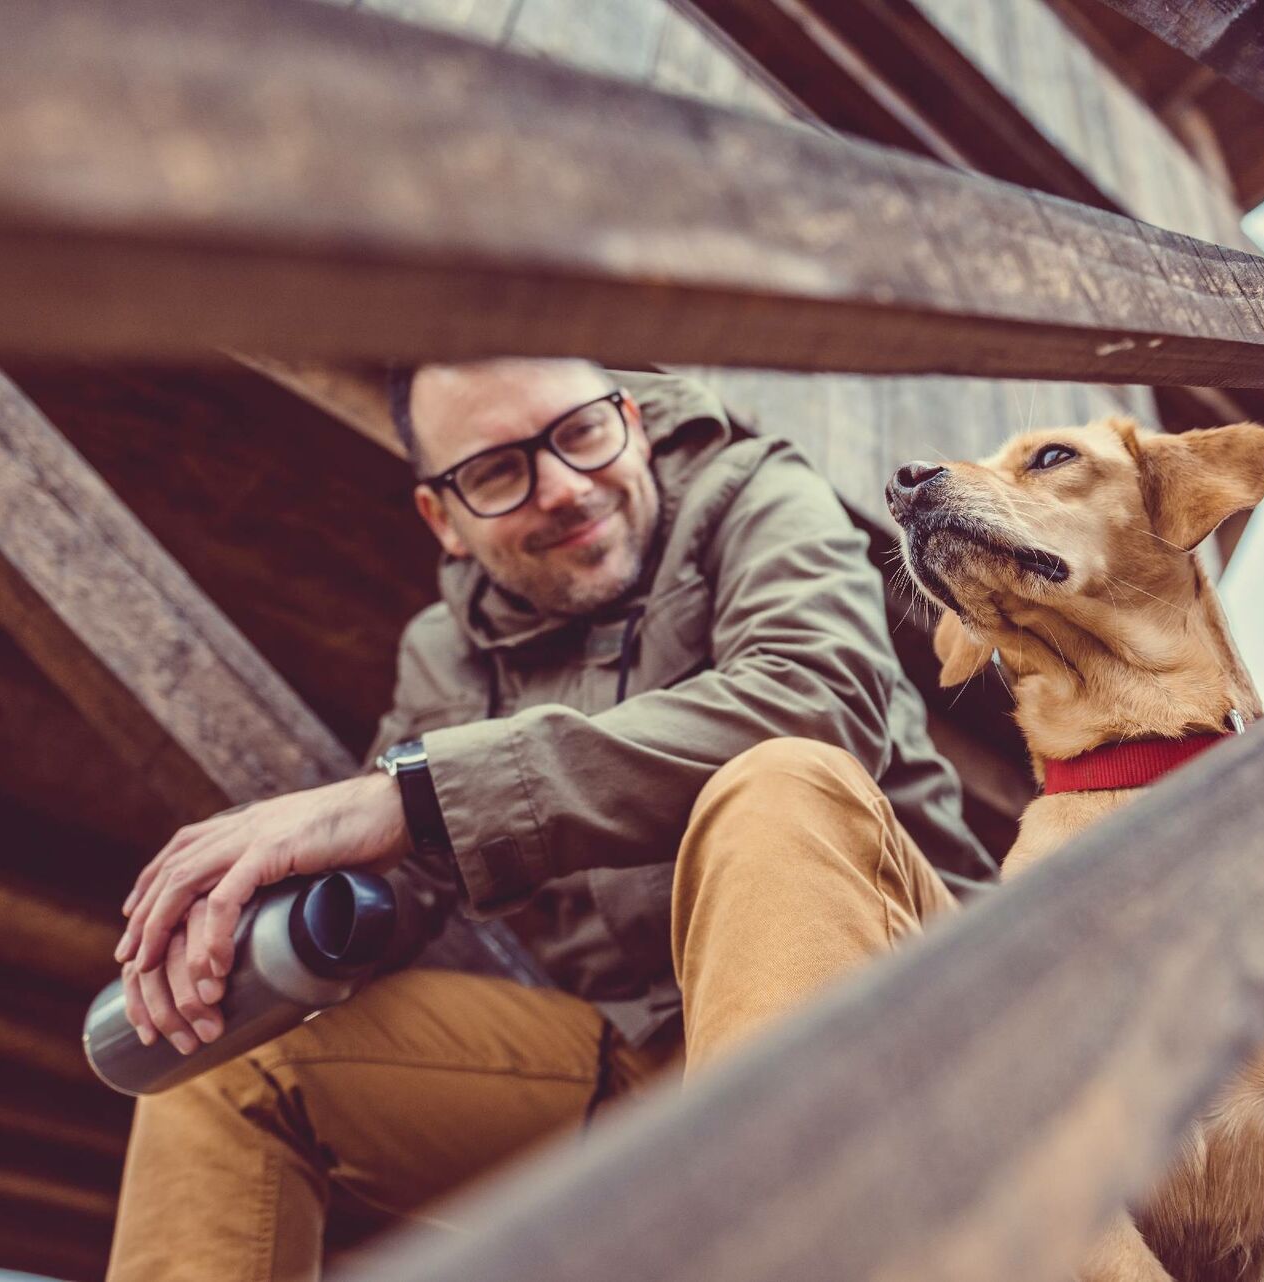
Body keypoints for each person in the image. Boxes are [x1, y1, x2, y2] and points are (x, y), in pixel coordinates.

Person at [104, 359, 994, 1281]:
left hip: (896, 1003)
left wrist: (410, 795)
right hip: (649, 1070)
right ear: (441, 520)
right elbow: (410, 872)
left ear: (634, 421)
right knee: (225, 1069)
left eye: (580, 432)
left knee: (777, 781)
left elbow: (815, 701)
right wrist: (265, 915)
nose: (565, 488)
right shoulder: (441, 656)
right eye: (497, 472)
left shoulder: (760, 496)